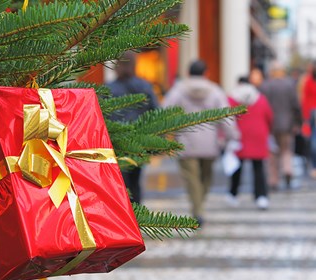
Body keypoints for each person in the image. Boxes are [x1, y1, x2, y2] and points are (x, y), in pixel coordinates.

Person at [162, 59, 240, 226]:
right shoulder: (215, 91)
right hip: (209, 143)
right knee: (206, 178)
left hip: (185, 141)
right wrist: (232, 135)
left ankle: (197, 209)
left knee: (192, 179)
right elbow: (226, 115)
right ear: (206, 73)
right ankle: (199, 209)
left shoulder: (179, 90)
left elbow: (164, 110)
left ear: (188, 73)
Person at [106, 51, 159, 205]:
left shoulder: (109, 88)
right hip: (138, 142)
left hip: (115, 142)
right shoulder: (144, 86)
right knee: (135, 179)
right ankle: (136, 215)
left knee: (120, 182)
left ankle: (124, 216)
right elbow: (155, 111)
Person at [226, 76, 273, 210]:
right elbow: (269, 115)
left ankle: (233, 194)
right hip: (258, 134)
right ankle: (261, 196)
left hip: (239, 135)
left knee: (237, 167)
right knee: (258, 167)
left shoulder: (232, 99)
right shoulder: (260, 98)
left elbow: (227, 118)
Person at [259, 61, 302, 190]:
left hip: (270, 124)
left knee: (272, 152)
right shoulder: (289, 85)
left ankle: (273, 180)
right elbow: (296, 106)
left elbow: (261, 105)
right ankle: (288, 169)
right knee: (286, 150)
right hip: (287, 124)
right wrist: (298, 122)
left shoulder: (265, 86)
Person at [300, 61, 316, 178]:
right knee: (313, 140)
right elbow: (305, 99)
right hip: (312, 113)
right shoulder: (308, 81)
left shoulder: (308, 80)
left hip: (311, 113)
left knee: (313, 140)